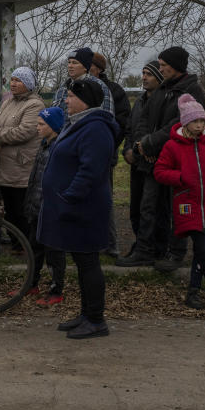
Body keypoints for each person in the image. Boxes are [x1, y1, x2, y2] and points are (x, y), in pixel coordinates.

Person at [37, 78, 118, 339]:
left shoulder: (96, 128)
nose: (66, 101)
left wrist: (69, 197)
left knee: (88, 263)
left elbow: (90, 170)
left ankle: (96, 320)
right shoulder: (82, 124)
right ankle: (86, 315)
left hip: (85, 208)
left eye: (70, 97)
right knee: (83, 263)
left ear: (85, 100)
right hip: (76, 207)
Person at [117, 46, 205, 271]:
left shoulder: (191, 91)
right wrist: (141, 144)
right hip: (152, 160)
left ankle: (176, 253)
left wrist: (148, 142)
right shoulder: (162, 89)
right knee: (148, 207)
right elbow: (144, 118)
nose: (161, 68)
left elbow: (178, 125)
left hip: (178, 160)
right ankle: (145, 250)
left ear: (175, 66)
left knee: (179, 208)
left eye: (164, 65)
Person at [154, 94, 205, 309]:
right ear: (186, 122)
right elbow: (160, 171)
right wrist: (179, 178)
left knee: (202, 248)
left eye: (201, 121)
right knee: (202, 245)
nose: (199, 126)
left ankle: (193, 292)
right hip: (187, 203)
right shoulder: (173, 146)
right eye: (195, 121)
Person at [0, 67, 45, 241]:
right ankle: (15, 241)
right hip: (3, 166)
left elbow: (24, 131)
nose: (13, 83)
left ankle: (26, 243)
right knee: (9, 208)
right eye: (12, 79)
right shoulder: (7, 102)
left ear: (28, 84)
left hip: (21, 167)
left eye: (18, 80)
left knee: (21, 209)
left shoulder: (35, 104)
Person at [21, 107, 67, 305]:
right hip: (36, 207)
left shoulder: (59, 149)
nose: (37, 127)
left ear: (54, 127)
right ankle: (31, 284)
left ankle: (56, 290)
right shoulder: (44, 145)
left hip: (50, 210)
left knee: (54, 252)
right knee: (34, 248)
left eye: (41, 124)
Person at [90, 52, 131, 257]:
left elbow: (122, 122)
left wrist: (108, 144)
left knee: (103, 197)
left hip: (104, 153)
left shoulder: (114, 90)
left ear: (98, 68)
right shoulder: (74, 88)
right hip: (79, 152)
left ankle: (110, 243)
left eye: (89, 65)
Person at [121, 61, 163, 257]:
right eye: (143, 73)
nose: (144, 77)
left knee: (150, 207)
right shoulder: (138, 101)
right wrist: (127, 150)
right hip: (136, 162)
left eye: (149, 74)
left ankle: (152, 247)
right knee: (135, 208)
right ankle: (140, 243)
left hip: (154, 163)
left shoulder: (164, 100)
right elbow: (130, 128)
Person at [52, 47, 114, 125]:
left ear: (85, 67)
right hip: (63, 135)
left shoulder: (99, 86)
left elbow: (107, 118)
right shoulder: (62, 88)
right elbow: (53, 116)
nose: (70, 66)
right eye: (69, 62)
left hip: (87, 134)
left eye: (74, 63)